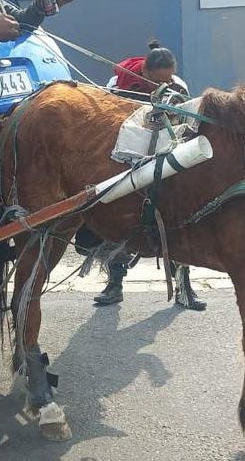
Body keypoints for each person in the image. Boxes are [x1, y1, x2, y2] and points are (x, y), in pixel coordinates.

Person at [84, 41, 206, 311]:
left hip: (164, 157)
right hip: (127, 157)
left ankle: (183, 288)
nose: (166, 84)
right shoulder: (120, 81)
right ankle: (114, 285)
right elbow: (107, 119)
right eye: (159, 80)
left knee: (176, 222)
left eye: (170, 78)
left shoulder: (178, 86)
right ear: (146, 72)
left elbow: (185, 123)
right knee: (119, 222)